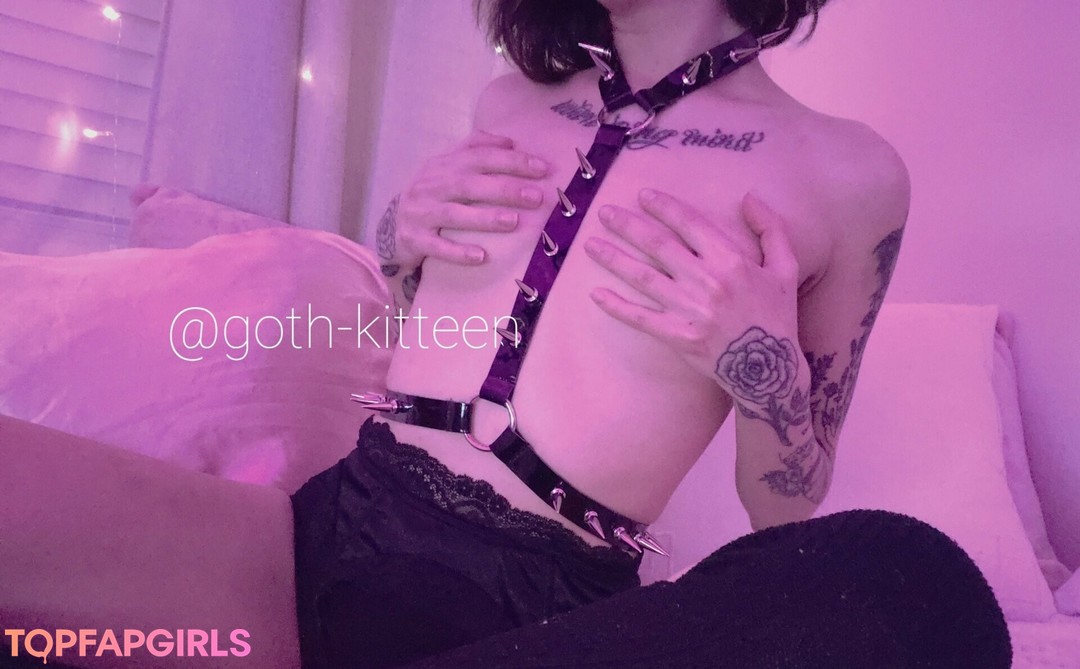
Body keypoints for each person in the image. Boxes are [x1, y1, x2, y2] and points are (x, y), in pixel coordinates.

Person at [290, 0, 1011, 667]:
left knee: (917, 580)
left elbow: (785, 509)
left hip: (536, 613)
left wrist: (762, 369)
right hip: (343, 515)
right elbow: (410, 321)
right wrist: (398, 242)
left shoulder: (850, 173)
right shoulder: (505, 102)